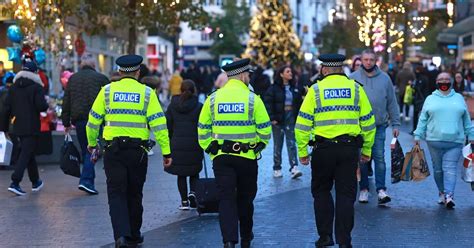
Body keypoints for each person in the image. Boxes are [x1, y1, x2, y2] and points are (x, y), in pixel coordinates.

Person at [86, 55, 172, 247]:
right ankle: (134, 234)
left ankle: (121, 236)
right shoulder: (147, 93)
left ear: (119, 71)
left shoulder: (106, 92)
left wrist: (92, 143)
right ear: (138, 72)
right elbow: (160, 125)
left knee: (116, 193)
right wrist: (167, 153)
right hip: (137, 152)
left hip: (112, 151)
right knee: (135, 193)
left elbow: (93, 121)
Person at [295, 54, 376, 247]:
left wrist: (302, 151)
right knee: (346, 195)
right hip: (349, 150)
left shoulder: (315, 91)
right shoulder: (356, 89)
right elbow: (369, 123)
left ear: (324, 69)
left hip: (322, 150)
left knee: (321, 192)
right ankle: (344, 240)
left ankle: (325, 237)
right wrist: (366, 149)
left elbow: (302, 124)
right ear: (341, 69)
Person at [198, 58, 271, 248]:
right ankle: (246, 236)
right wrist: (257, 148)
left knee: (226, 199)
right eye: (248, 75)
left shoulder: (212, 99)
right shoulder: (253, 99)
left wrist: (211, 149)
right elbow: (265, 130)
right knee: (246, 199)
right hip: (246, 158)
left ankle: (229, 241)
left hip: (222, 158)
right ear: (243, 75)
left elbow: (202, 128)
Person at [414, 72, 474, 209]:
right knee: (438, 170)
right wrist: (417, 135)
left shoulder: (459, 98)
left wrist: (471, 135)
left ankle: (449, 195)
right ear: (436, 82)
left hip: (455, 141)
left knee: (450, 168)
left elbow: (466, 119)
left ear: (451, 82)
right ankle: (441, 192)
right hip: (434, 140)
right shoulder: (430, 99)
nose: (444, 81)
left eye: (447, 79)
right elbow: (423, 118)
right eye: (441, 79)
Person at [350, 49, 400, 205]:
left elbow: (392, 102)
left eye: (371, 59)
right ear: (361, 60)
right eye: (365, 59)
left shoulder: (385, 79)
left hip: (379, 126)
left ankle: (381, 189)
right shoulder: (352, 79)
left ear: (376, 60)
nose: (368, 62)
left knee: (379, 157)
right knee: (363, 159)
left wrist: (396, 123)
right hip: (359, 127)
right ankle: (363, 189)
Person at [62, 54, 110, 195]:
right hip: (96, 119)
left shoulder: (73, 79)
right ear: (94, 65)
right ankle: (86, 180)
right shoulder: (101, 78)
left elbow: (67, 101)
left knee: (86, 149)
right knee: (93, 149)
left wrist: (66, 122)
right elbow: (109, 100)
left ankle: (89, 181)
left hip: (79, 120)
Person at [1, 61, 48, 196]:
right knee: (26, 153)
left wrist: (3, 128)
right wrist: (45, 104)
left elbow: (5, 109)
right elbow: (41, 106)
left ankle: (35, 181)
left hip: (17, 126)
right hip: (32, 126)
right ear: (34, 73)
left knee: (28, 152)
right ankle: (15, 182)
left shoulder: (13, 87)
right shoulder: (36, 87)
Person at [165, 80, 203, 210]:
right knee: (194, 172)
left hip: (177, 143)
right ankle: (193, 195)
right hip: (194, 143)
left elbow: (168, 126)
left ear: (180, 90)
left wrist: (170, 140)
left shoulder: (172, 106)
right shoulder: (199, 106)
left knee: (181, 174)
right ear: (194, 90)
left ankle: (184, 201)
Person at [264, 65, 303, 179]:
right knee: (278, 144)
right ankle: (277, 168)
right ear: (281, 74)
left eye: (291, 71)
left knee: (291, 143)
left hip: (290, 118)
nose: (290, 73)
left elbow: (298, 104)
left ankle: (294, 167)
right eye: (287, 71)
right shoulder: (273, 88)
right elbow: (268, 103)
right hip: (278, 119)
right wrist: (272, 118)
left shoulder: (294, 88)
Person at [412, 66, 431, 134]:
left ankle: (416, 129)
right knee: (422, 115)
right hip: (423, 98)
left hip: (420, 98)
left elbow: (418, 88)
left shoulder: (420, 78)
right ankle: (421, 130)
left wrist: (413, 86)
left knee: (417, 115)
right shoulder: (425, 78)